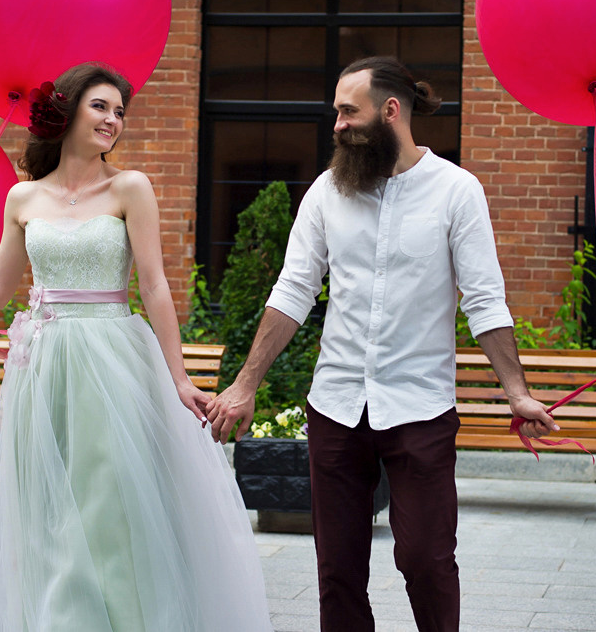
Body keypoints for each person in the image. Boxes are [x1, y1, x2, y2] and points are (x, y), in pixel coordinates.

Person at [0, 62, 271, 632]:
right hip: (42, 366)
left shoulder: (130, 188)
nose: (113, 120)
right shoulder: (22, 197)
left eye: (120, 111)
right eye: (101, 106)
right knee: (49, 510)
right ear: (66, 111)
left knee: (106, 504)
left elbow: (155, 287)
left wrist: (179, 377)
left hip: (111, 360)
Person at [206, 56, 558, 632]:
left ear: (390, 111)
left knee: (426, 559)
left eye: (349, 112)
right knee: (337, 572)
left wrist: (516, 393)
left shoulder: (456, 191)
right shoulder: (327, 191)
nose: (338, 125)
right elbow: (293, 290)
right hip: (336, 406)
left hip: (420, 407)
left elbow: (484, 299)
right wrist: (245, 386)